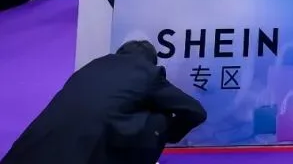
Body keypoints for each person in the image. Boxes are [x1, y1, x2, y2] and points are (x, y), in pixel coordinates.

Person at [2, 40, 206, 164]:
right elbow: (195, 111)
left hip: (34, 145)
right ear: (151, 61)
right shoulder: (148, 72)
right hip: (91, 151)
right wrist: (169, 134)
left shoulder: (91, 67)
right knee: (158, 118)